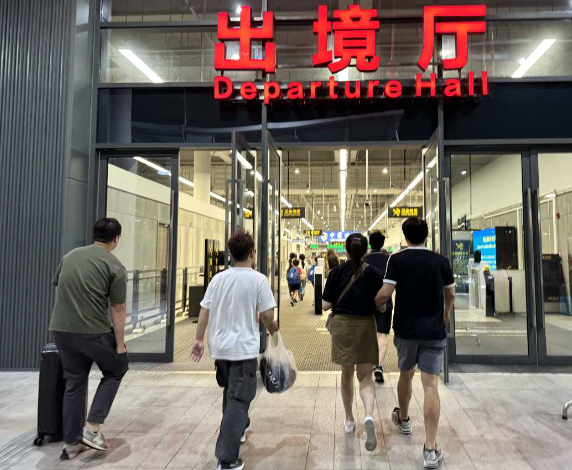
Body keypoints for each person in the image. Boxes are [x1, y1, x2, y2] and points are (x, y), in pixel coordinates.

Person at [190, 231, 278, 470]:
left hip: (220, 349)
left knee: (231, 391)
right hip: (242, 349)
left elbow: (204, 310)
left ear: (231, 254)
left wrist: (198, 339)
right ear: (252, 253)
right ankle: (227, 459)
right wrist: (273, 328)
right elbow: (268, 315)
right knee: (239, 399)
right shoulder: (258, 279)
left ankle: (238, 429)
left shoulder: (218, 279)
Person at [375, 218, 455, 469]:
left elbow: (385, 293)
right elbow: (450, 293)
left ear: (405, 236)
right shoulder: (441, 261)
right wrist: (446, 313)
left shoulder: (397, 260)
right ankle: (430, 449)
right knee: (430, 385)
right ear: (426, 235)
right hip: (434, 331)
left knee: (406, 374)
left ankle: (404, 418)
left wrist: (374, 303)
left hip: (406, 330)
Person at [49, 218, 129, 460]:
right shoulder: (115, 266)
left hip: (61, 331)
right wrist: (120, 345)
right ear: (116, 239)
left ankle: (72, 443)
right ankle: (92, 428)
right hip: (93, 331)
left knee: (74, 381)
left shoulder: (70, 256)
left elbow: (59, 290)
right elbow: (117, 309)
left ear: (95, 235)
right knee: (117, 369)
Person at [322, 233, 384, 452]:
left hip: (343, 327)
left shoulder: (336, 272)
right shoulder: (374, 274)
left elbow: (325, 305)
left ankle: (349, 420)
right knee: (365, 376)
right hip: (366, 326)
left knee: (346, 373)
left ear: (346, 251)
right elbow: (381, 306)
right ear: (366, 250)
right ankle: (368, 416)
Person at [364, 231, 392, 384]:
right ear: (382, 244)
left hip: (366, 303)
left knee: (368, 335)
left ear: (369, 243)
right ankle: (379, 365)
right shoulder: (389, 260)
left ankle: (367, 366)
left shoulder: (363, 259)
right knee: (382, 335)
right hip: (385, 302)